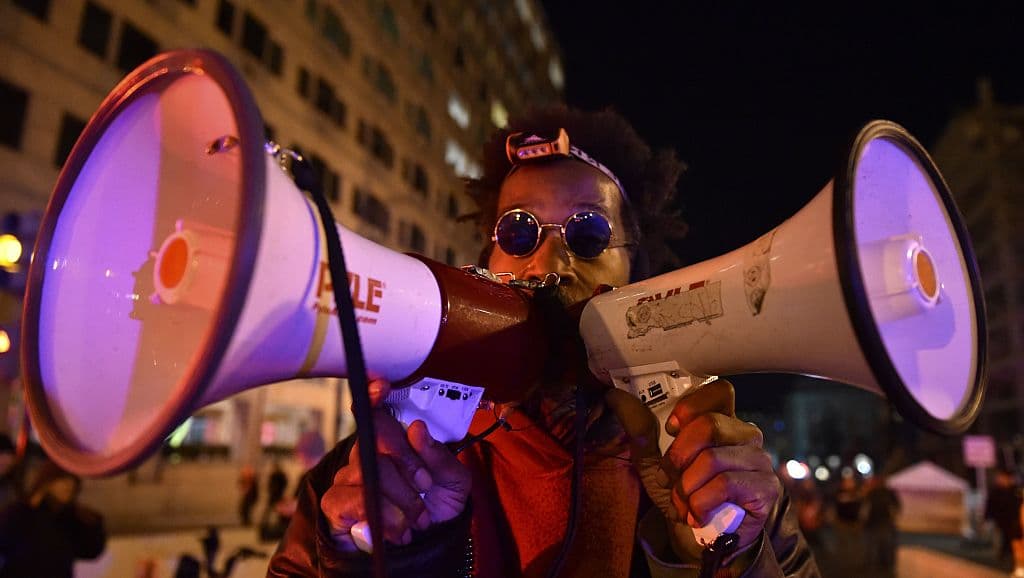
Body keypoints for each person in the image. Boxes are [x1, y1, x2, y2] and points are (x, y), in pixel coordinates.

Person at [268, 106, 818, 577]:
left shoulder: (714, 468)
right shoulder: (381, 462)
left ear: (635, 271)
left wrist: (732, 551)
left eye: (587, 232)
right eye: (518, 232)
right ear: (485, 262)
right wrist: (367, 558)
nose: (548, 262)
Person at [0, 460, 106, 577]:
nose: (69, 485)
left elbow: (91, 550)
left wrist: (91, 522)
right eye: (62, 479)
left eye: (72, 480)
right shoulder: (20, 514)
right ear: (47, 483)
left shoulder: (70, 519)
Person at [861, 475, 900, 578]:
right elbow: (896, 508)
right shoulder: (874, 493)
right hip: (879, 524)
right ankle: (882, 568)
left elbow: (865, 510)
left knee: (879, 547)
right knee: (881, 547)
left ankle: (880, 568)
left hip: (879, 524)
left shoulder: (881, 493)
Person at [986, 468, 1023, 573]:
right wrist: (988, 518)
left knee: (1011, 543)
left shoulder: (1016, 490)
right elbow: (990, 506)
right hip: (1000, 522)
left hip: (1013, 522)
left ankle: (1010, 562)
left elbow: (1018, 504)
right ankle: (1002, 562)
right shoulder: (996, 491)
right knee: (1001, 541)